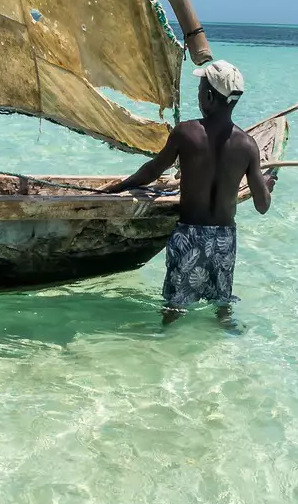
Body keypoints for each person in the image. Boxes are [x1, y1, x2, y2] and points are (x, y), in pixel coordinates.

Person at [115, 59, 273, 324]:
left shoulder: (186, 133)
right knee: (222, 308)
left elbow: (152, 172)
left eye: (200, 90)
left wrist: (121, 186)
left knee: (174, 309)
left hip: (189, 235)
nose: (198, 95)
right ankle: (227, 347)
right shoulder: (248, 146)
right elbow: (262, 205)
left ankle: (165, 346)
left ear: (209, 96)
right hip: (224, 240)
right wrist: (267, 185)